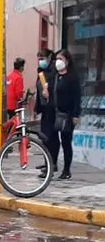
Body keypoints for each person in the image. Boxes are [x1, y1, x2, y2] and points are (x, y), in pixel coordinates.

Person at [53, 49, 81, 180]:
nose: (58, 62)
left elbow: (77, 97)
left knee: (66, 142)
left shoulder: (72, 78)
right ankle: (54, 164)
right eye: (57, 59)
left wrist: (76, 114)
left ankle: (66, 169)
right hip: (57, 113)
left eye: (61, 59)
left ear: (67, 61)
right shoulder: (56, 76)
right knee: (55, 140)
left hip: (68, 114)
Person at [35, 49, 59, 179]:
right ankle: (47, 162)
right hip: (44, 108)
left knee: (50, 137)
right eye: (38, 57)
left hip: (52, 108)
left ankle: (51, 163)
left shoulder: (54, 71)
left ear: (50, 57)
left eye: (42, 57)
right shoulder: (41, 71)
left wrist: (48, 91)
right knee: (45, 137)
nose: (40, 60)